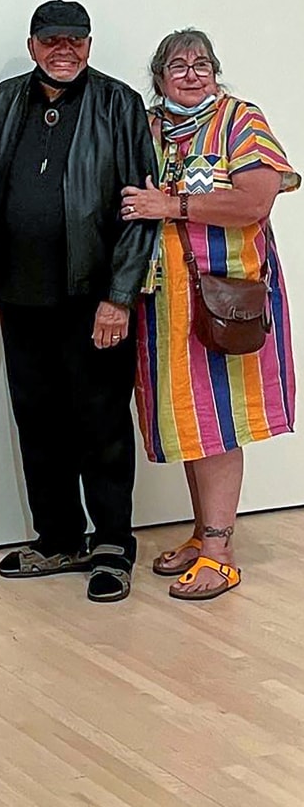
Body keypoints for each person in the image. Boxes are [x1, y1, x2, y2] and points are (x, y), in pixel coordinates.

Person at [0, 0, 157, 602]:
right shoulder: (4, 102)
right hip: (22, 296)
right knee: (39, 422)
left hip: (93, 298)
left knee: (101, 423)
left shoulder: (118, 104)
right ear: (33, 45)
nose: (65, 50)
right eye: (52, 40)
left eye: (75, 40)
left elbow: (140, 208)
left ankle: (111, 547)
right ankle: (56, 539)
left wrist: (119, 296)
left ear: (89, 44)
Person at [121, 30, 297, 601]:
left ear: (216, 72)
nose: (192, 74)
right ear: (159, 77)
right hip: (163, 303)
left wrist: (168, 204)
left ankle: (221, 552)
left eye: (202, 64)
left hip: (223, 304)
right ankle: (203, 535)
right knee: (186, 419)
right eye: (178, 65)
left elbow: (254, 201)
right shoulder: (152, 128)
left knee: (218, 422)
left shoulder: (239, 120)